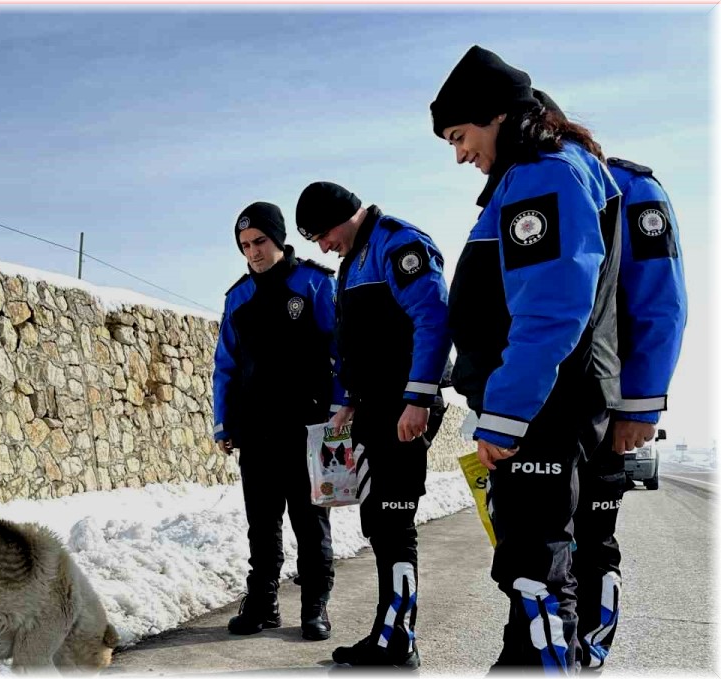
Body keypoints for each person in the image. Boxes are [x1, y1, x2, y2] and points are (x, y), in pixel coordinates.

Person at [429, 45, 623, 672]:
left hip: (542, 407)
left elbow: (550, 310)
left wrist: (505, 415)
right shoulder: (542, 172)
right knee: (532, 566)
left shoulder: (545, 174)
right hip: (545, 401)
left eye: (460, 136)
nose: (460, 153)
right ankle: (522, 660)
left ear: (497, 116)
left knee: (535, 567)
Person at [533, 89, 689, 671]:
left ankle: (592, 650)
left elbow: (660, 305)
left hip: (607, 403)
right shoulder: (535, 189)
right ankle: (551, 648)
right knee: (545, 545)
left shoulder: (631, 191)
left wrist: (640, 408)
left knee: (592, 539)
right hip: (549, 406)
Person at [295, 181, 452, 669]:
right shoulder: (354, 261)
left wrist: (419, 398)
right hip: (377, 408)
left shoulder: (399, 244)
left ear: (344, 215)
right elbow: (365, 345)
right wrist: (353, 403)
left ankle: (398, 639)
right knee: (381, 524)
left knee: (395, 523)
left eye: (322, 234)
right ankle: (389, 633)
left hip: (405, 408)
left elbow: (433, 320)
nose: (322, 246)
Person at [213, 201, 344, 641]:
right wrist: (223, 422)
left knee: (310, 523)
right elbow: (225, 366)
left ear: (279, 239)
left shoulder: (314, 283)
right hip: (257, 430)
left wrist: (339, 410)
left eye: (260, 242)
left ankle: (314, 605)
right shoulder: (237, 298)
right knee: (262, 524)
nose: (253, 252)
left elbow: (340, 352)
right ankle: (263, 603)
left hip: (309, 429)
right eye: (245, 245)